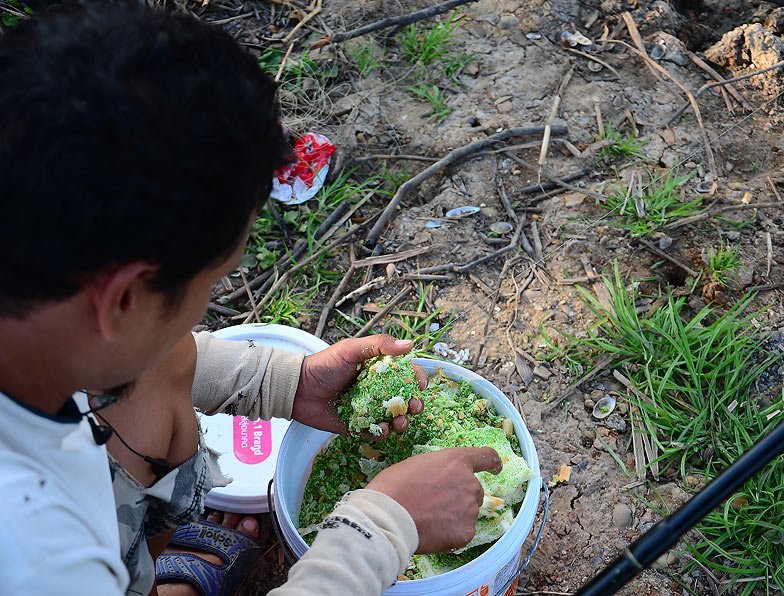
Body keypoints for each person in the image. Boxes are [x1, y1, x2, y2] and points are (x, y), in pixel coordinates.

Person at [0, 2, 501, 595]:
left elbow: (139, 354)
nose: (204, 307)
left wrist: (280, 383)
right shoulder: (39, 558)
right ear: (121, 299)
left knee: (168, 362)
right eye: (210, 284)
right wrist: (380, 528)